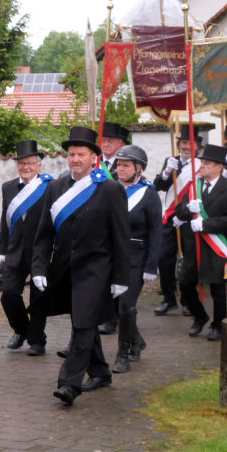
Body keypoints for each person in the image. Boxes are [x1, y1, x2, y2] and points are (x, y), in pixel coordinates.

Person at [30, 126, 129, 406]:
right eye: (72, 154)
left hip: (96, 269)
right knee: (83, 319)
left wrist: (120, 277)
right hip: (64, 269)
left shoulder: (109, 189)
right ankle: (100, 372)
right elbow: (44, 233)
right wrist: (39, 268)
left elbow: (121, 237)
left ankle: (69, 384)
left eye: (81, 154)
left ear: (93, 157)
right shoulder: (56, 187)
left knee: (83, 323)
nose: (75, 159)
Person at [174, 144, 227, 341]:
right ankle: (200, 316)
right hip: (194, 244)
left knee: (217, 288)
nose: (202, 166)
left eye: (207, 163)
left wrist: (206, 224)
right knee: (186, 284)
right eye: (202, 162)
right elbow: (179, 211)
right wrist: (187, 208)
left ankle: (218, 325)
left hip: (216, 245)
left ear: (220, 167)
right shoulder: (195, 185)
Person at [0, 140, 52, 356]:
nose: (26, 167)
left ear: (39, 165)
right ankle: (21, 330)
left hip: (41, 251)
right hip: (15, 249)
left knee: (38, 298)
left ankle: (37, 341)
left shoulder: (50, 186)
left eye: (30, 163)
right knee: (9, 294)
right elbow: (5, 220)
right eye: (22, 163)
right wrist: (2, 250)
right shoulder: (8, 187)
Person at [112, 145, 161, 372]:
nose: (120, 169)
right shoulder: (110, 189)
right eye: (118, 164)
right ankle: (137, 340)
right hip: (112, 257)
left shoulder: (149, 194)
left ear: (138, 168)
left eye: (125, 165)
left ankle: (122, 354)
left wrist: (151, 265)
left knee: (126, 306)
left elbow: (156, 232)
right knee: (114, 307)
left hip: (136, 259)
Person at [153, 124, 203, 316]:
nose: (186, 146)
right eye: (183, 142)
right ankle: (168, 298)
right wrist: (166, 172)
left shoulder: (201, 164)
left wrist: (186, 214)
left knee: (189, 262)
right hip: (170, 217)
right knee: (163, 258)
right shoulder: (171, 161)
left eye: (190, 143)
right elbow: (158, 186)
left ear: (197, 145)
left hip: (190, 219)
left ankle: (188, 300)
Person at [96, 122, 130, 335]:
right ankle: (103, 313)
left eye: (110, 140)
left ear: (122, 144)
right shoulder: (95, 163)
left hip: (118, 222)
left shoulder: (127, 164)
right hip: (97, 225)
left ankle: (115, 317)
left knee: (116, 272)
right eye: (103, 139)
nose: (105, 143)